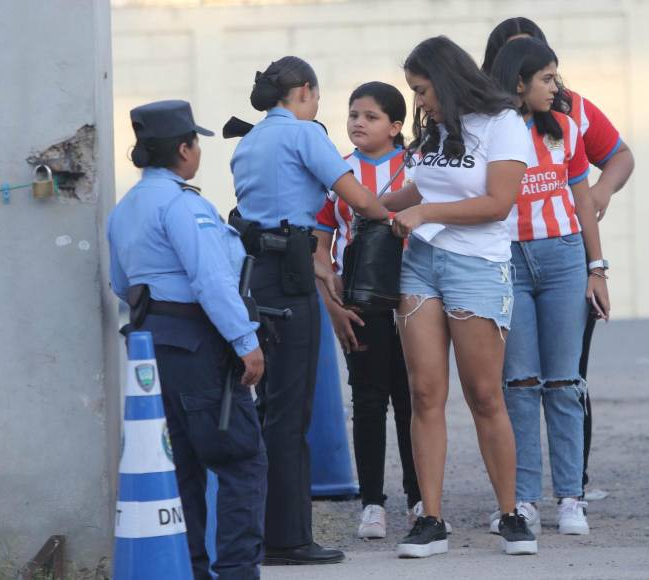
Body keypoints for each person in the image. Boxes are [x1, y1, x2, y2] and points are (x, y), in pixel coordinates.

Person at [379, 36, 535, 558]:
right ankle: (431, 519)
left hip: (477, 268)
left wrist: (422, 215)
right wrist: (368, 204)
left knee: (485, 395)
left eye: (422, 90)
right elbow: (422, 190)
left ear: (444, 80)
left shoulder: (504, 125)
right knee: (425, 393)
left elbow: (497, 203)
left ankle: (512, 515)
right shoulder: (437, 130)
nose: (418, 101)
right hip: (420, 264)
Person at [229, 56, 388, 565]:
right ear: (304, 90)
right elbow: (360, 201)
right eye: (318, 97)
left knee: (270, 406)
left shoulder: (249, 141)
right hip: (293, 275)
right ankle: (289, 538)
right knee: (290, 412)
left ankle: (265, 530)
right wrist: (406, 206)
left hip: (256, 275)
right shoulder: (304, 135)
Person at [108, 100, 266, 580]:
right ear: (183, 149)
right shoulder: (183, 204)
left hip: (150, 346)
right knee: (241, 459)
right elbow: (212, 281)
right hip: (199, 343)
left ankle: (192, 571)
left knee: (182, 469)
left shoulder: (124, 209)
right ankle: (238, 572)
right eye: (195, 142)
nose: (198, 150)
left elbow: (121, 284)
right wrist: (245, 341)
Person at [482, 16, 635, 491]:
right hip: (507, 259)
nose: (549, 81)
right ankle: (524, 494)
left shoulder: (571, 114)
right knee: (522, 383)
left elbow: (618, 157)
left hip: (565, 255)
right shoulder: (484, 123)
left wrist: (599, 195)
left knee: (567, 380)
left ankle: (574, 487)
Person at [313, 81, 422, 540]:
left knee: (414, 400)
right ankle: (373, 504)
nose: (358, 122)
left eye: (371, 116)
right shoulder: (338, 171)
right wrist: (328, 284)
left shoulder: (418, 167)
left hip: (416, 297)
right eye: (354, 113)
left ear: (396, 127)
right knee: (369, 400)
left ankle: (421, 498)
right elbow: (320, 240)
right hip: (362, 301)